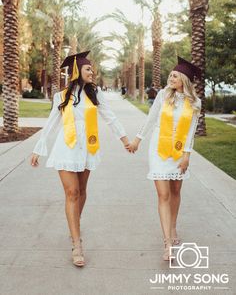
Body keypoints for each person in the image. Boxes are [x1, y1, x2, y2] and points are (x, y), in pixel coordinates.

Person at [30, 51, 129, 267]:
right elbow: (51, 124)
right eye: (88, 69)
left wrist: (125, 140)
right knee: (72, 192)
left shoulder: (96, 95)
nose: (92, 72)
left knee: (82, 192)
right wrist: (39, 149)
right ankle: (77, 243)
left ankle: (74, 224)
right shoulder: (62, 96)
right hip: (66, 148)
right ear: (77, 72)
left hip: (87, 148)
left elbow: (110, 117)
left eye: (92, 69)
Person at [127, 56, 202, 262]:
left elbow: (191, 131)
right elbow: (151, 118)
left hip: (179, 151)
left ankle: (173, 226)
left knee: (176, 190)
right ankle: (167, 242)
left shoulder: (195, 102)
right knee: (163, 195)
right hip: (158, 149)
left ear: (184, 80)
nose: (171, 77)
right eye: (170, 74)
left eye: (175, 75)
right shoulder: (162, 95)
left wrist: (187, 155)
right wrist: (137, 140)